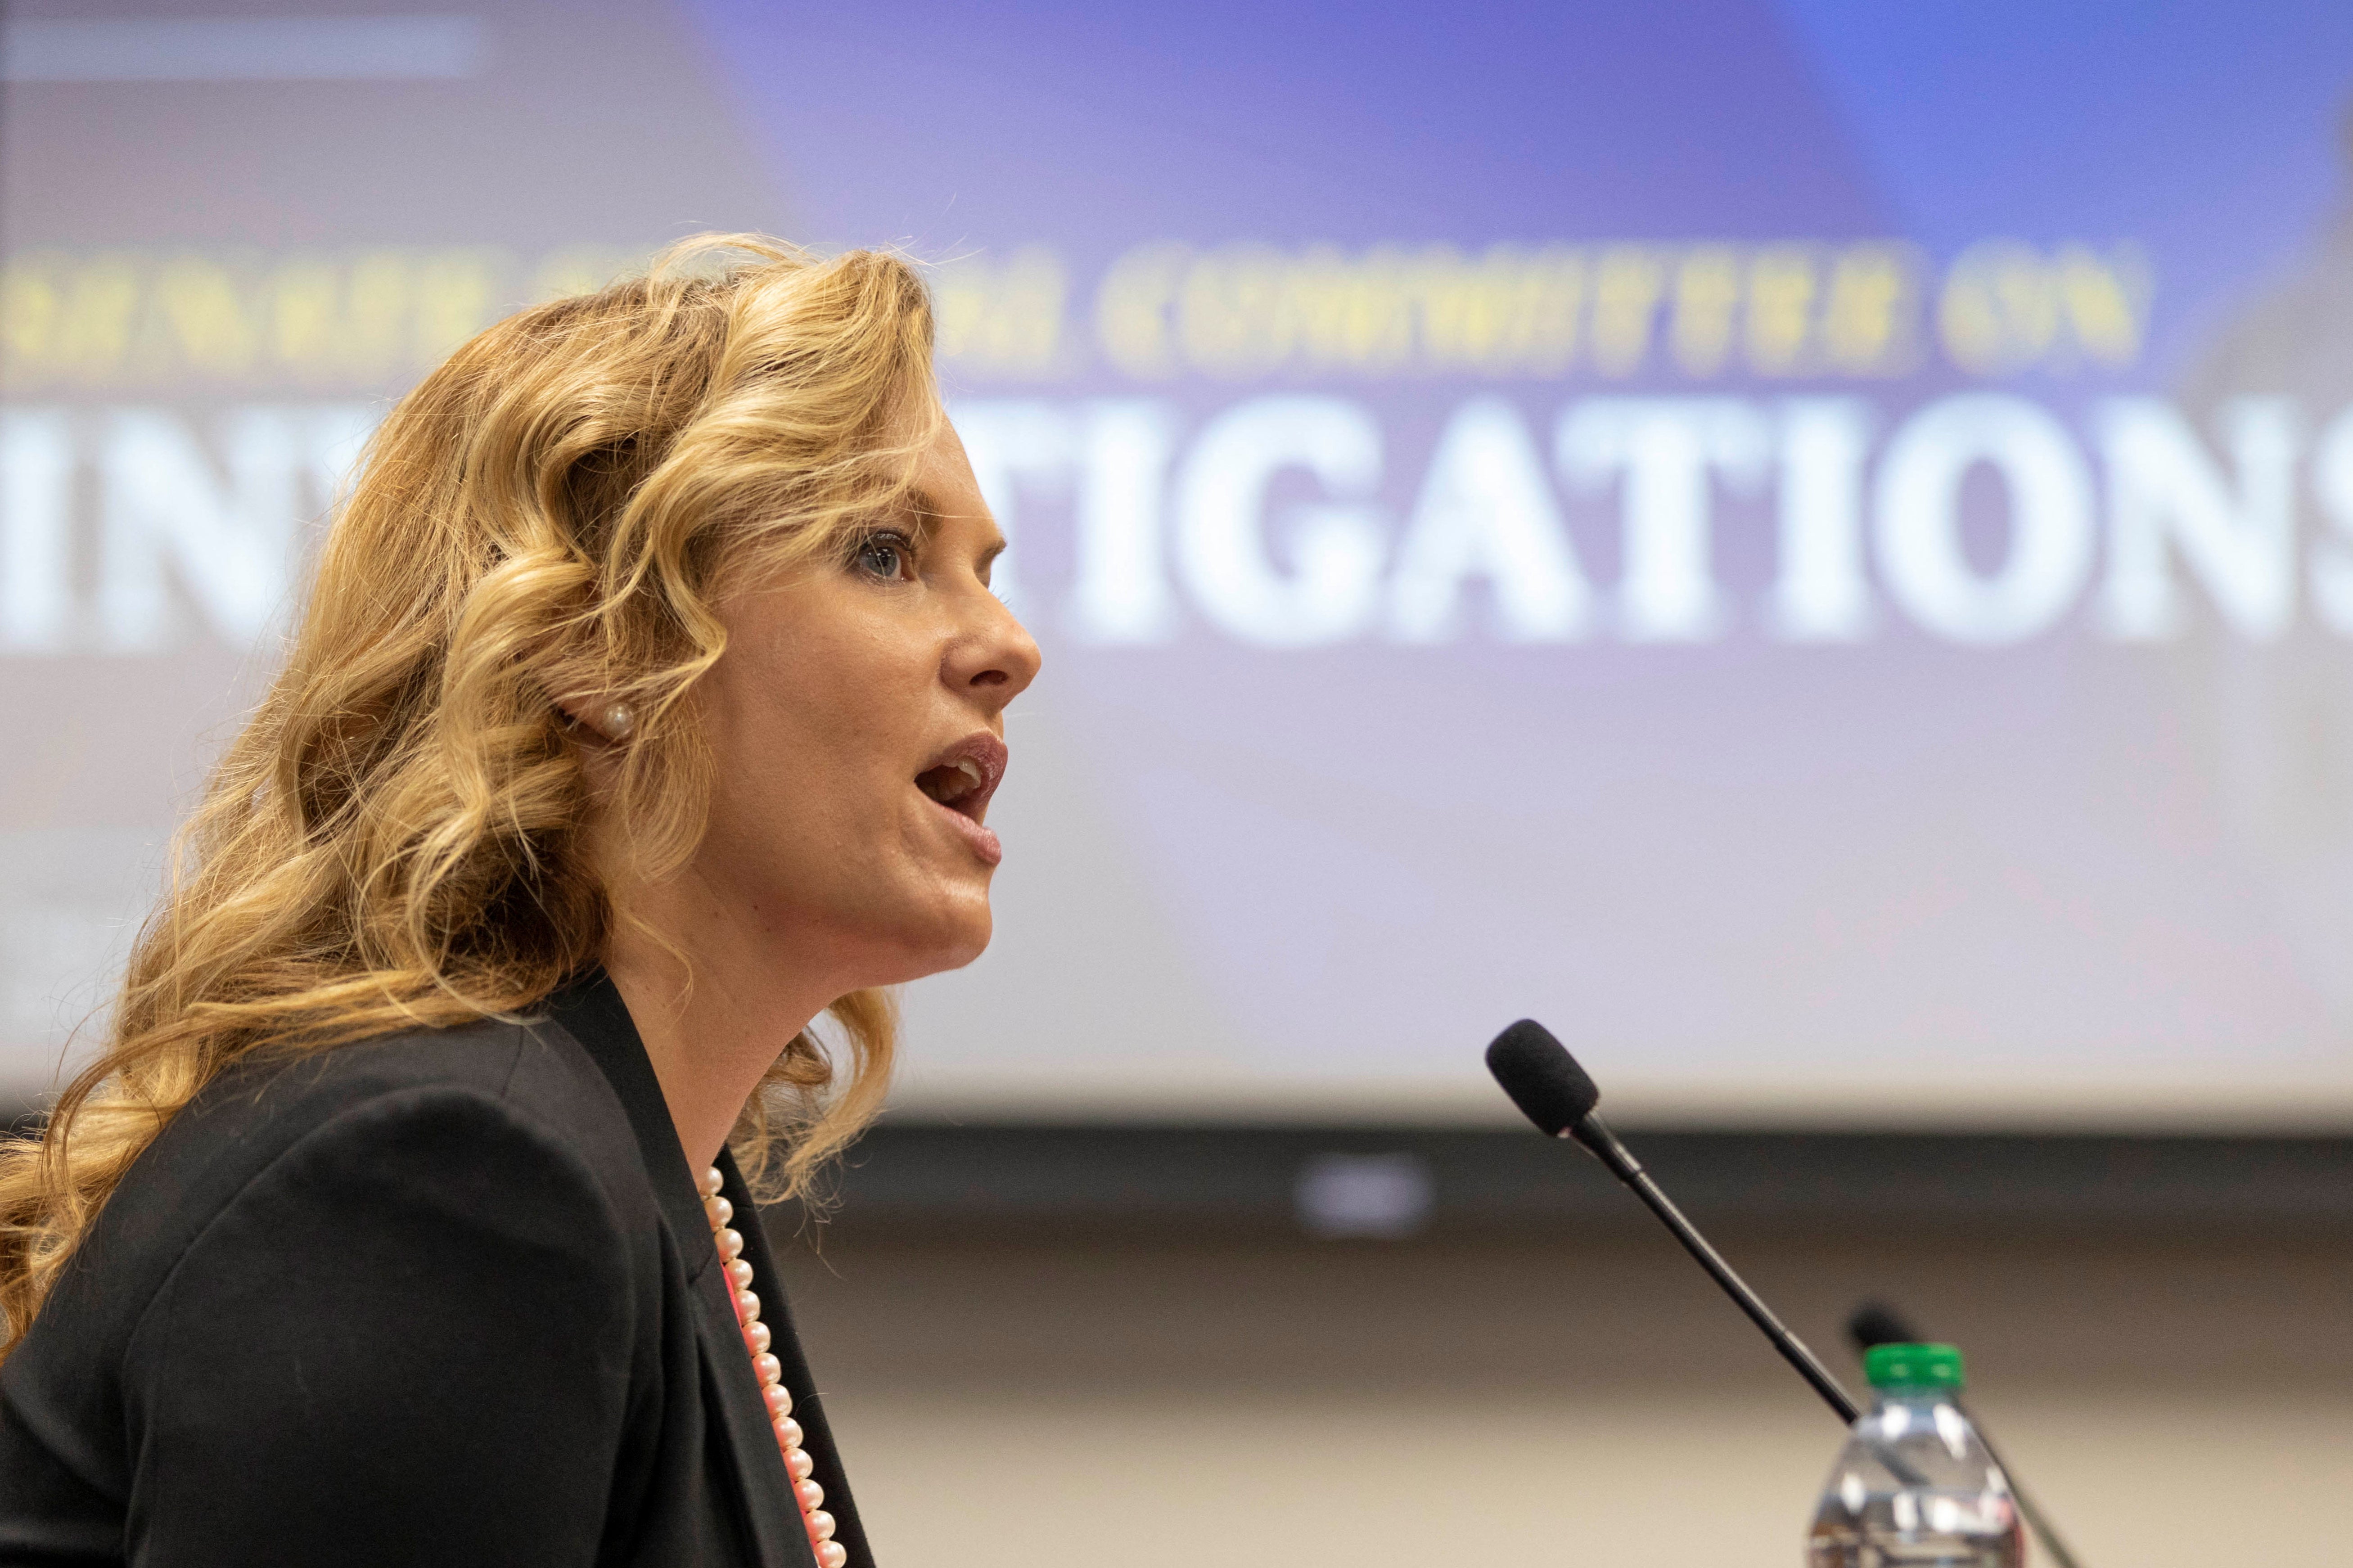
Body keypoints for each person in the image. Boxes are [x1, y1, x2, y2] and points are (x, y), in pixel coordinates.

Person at [0, 235, 1040, 1567]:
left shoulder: (621, 1146)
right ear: (599, 649)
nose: (1009, 648)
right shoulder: (452, 1174)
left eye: (986, 568)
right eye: (887, 553)